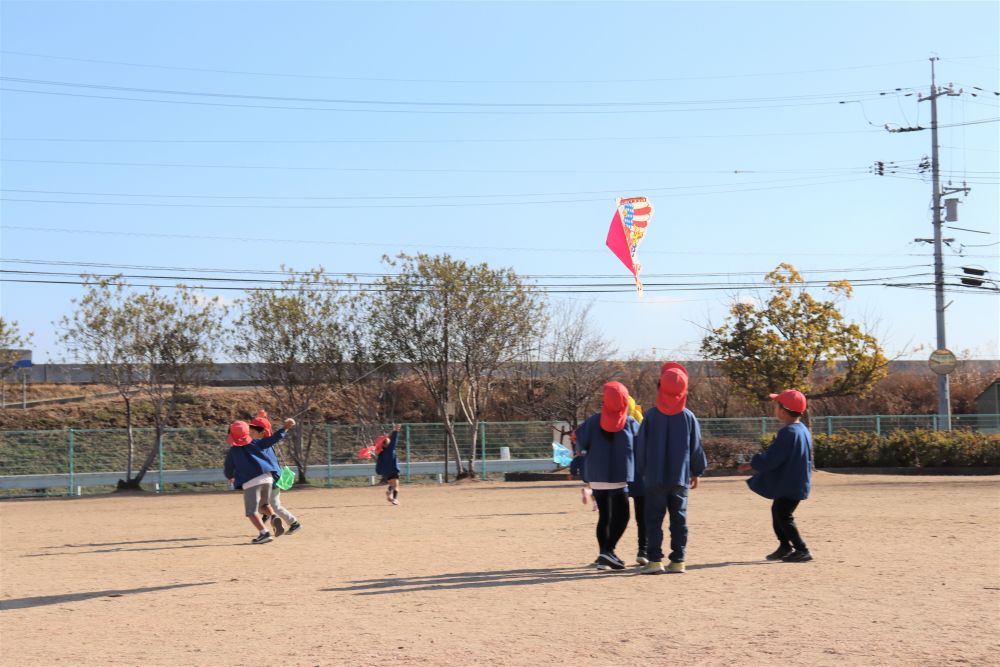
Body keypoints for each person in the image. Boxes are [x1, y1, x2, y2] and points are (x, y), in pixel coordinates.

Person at [635, 363, 707, 574]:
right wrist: (696, 471)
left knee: (653, 519)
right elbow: (696, 447)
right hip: (680, 477)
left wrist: (642, 470)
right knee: (679, 519)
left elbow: (641, 447)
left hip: (654, 477)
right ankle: (678, 560)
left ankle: (655, 560)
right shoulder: (688, 417)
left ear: (660, 388)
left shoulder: (651, 416)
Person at [738, 390, 813, 563]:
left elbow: (773, 459)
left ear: (784, 411)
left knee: (784, 515)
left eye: (777, 405)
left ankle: (802, 549)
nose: (775, 408)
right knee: (778, 512)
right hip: (796, 482)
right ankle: (785, 546)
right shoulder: (801, 429)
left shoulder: (788, 433)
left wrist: (752, 463)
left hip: (789, 484)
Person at [575, 381, 641, 571]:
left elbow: (580, 444)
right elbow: (641, 444)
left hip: (596, 475)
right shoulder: (629, 422)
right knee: (623, 516)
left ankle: (605, 555)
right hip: (619, 476)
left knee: (604, 516)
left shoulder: (593, 421)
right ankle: (607, 552)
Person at [223, 416, 295, 544]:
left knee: (251, 512)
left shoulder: (233, 451)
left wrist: (230, 477)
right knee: (264, 505)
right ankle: (273, 516)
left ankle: (264, 533)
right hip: (267, 478)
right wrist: (285, 428)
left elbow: (228, 468)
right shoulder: (257, 443)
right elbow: (273, 439)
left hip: (251, 481)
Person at [247, 410, 302, 537]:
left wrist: (285, 428)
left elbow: (274, 437)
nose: (249, 433)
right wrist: (261, 418)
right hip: (268, 480)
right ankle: (266, 514)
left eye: (252, 431)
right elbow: (269, 434)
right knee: (262, 503)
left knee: (276, 506)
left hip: (272, 480)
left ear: (261, 433)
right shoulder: (262, 442)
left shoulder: (261, 443)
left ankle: (294, 523)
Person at [375, 424, 402, 505]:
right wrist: (396, 430)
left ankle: (389, 491)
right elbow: (394, 439)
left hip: (385, 472)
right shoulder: (390, 449)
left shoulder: (380, 452)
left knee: (391, 483)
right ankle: (394, 499)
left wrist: (379, 471)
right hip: (392, 469)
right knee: (396, 485)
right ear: (387, 443)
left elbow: (378, 463)